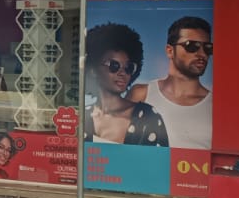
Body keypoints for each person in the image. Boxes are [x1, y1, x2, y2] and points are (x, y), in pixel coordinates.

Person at [130, 17, 213, 149]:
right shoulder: (141, 94)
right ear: (170, 51)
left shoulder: (215, 106)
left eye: (207, 48)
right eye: (191, 46)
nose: (202, 54)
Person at [84, 22, 168, 146]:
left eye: (129, 67)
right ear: (93, 70)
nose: (122, 73)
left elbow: (159, 158)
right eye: (114, 65)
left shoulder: (147, 116)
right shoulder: (83, 116)